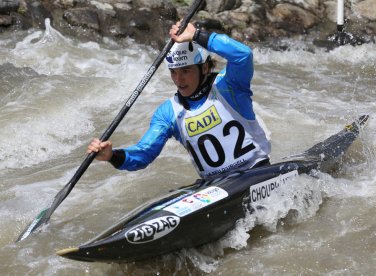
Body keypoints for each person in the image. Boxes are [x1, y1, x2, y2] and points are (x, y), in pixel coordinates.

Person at [87, 22, 271, 180]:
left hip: (255, 171)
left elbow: (243, 55)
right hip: (216, 187)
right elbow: (144, 154)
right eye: (174, 72)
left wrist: (197, 35)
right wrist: (112, 156)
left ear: (205, 67)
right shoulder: (169, 112)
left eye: (186, 71)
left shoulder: (229, 85)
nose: (179, 79)